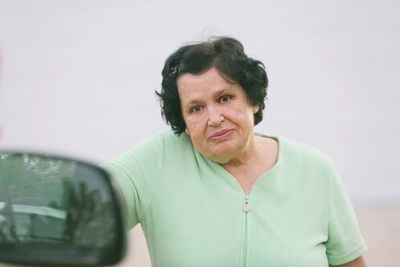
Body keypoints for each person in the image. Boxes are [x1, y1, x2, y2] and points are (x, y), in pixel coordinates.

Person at [103, 37, 367, 267]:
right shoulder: (157, 160)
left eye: (224, 98)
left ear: (252, 99)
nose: (214, 118)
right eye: (196, 108)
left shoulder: (314, 169)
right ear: (183, 120)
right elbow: (82, 202)